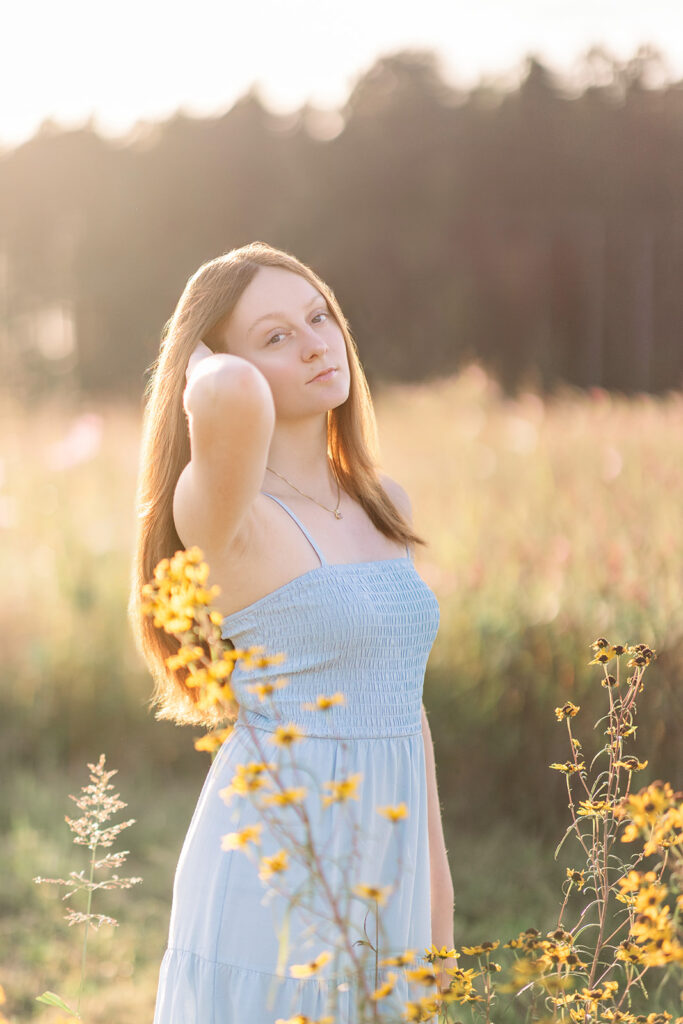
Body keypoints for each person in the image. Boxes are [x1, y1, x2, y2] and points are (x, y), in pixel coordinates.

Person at [129, 241, 455, 1023]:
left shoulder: (387, 504)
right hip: (274, 860)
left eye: (320, 317)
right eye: (275, 336)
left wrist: (437, 897)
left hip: (389, 854)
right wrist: (202, 360)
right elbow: (231, 393)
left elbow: (405, 708)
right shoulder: (222, 516)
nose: (314, 342)